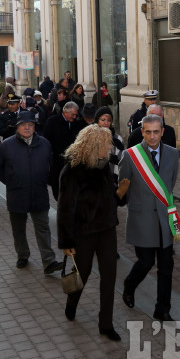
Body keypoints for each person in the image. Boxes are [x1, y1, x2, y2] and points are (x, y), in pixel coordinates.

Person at [57, 124, 129, 341]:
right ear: (95, 145)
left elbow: (109, 201)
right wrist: (66, 242)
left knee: (110, 276)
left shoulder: (104, 166)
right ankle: (72, 303)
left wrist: (121, 194)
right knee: (82, 273)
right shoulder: (72, 170)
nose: (110, 148)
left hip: (106, 229)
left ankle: (105, 324)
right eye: (107, 144)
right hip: (83, 233)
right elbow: (65, 209)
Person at [119, 114, 180, 322]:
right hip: (142, 219)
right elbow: (122, 190)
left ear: (163, 132)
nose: (152, 136)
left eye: (156, 132)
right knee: (145, 263)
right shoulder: (130, 156)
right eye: (148, 132)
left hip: (164, 221)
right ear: (142, 132)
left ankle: (162, 309)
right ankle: (129, 284)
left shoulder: (173, 154)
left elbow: (169, 186)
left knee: (166, 266)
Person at [0, 112, 65, 273]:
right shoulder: (6, 146)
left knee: (43, 227)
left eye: (30, 125)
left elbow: (50, 164)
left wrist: (43, 179)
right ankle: (22, 255)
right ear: (17, 127)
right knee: (18, 228)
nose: (27, 127)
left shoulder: (44, 144)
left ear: (34, 126)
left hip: (39, 193)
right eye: (23, 125)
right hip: (17, 193)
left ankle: (49, 261)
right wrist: (10, 181)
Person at [43, 101, 81, 200]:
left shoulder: (77, 124)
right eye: (73, 114)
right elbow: (46, 140)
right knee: (58, 190)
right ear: (65, 112)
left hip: (72, 163)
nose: (74, 117)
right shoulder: (52, 121)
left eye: (76, 115)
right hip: (56, 162)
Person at [94, 106, 124, 180]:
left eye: (109, 120)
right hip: (96, 178)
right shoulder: (92, 137)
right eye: (103, 120)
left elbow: (122, 160)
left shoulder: (117, 139)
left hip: (113, 179)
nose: (106, 123)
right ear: (97, 121)